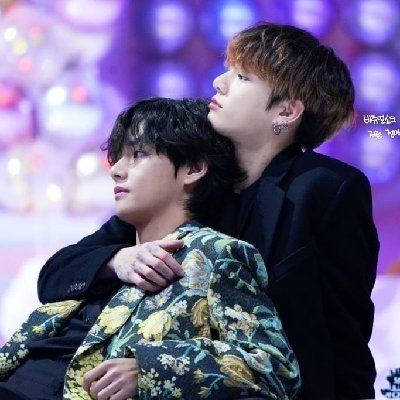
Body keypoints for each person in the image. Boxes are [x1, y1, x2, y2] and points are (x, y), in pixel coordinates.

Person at [36, 23, 379, 399]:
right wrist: (119, 260)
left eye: (242, 77)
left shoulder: (327, 188)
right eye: (228, 70)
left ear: (286, 110)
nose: (219, 82)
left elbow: (345, 334)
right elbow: (56, 276)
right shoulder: (193, 178)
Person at [0, 98, 300, 400]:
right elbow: (52, 277)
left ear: (193, 168)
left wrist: (149, 369)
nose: (116, 170)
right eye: (117, 157)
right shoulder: (106, 255)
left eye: (138, 154)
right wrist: (116, 261)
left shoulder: (217, 254)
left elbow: (274, 368)